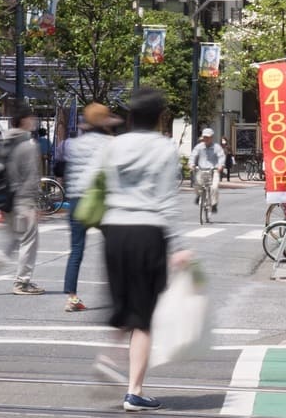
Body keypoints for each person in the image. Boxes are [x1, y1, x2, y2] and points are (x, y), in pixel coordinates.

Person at [79, 86, 192, 412]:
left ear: (129, 116)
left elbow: (91, 183)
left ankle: (109, 358)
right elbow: (168, 200)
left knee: (123, 302)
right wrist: (179, 245)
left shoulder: (113, 146)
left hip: (114, 231)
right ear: (160, 117)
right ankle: (134, 391)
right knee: (143, 318)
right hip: (148, 231)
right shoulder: (165, 148)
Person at [0, 106, 44, 295]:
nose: (34, 121)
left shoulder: (4, 140)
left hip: (6, 198)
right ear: (24, 121)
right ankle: (22, 282)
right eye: (31, 118)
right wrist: (34, 202)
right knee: (29, 240)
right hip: (24, 200)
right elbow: (31, 175)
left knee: (13, 238)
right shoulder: (28, 144)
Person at [62, 102, 121, 312]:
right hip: (100, 200)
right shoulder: (110, 142)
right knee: (115, 247)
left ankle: (71, 297)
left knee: (76, 249)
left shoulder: (74, 144)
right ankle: (119, 295)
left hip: (77, 200)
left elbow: (63, 168)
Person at [190, 128, 224, 213]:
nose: (206, 139)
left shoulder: (217, 147)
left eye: (208, 137)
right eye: (204, 137)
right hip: (201, 169)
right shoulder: (199, 147)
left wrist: (220, 166)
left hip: (214, 170)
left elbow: (221, 157)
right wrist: (191, 164)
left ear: (212, 137)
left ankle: (214, 204)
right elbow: (193, 156)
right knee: (196, 184)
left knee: (214, 187)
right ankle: (198, 195)